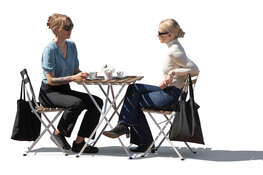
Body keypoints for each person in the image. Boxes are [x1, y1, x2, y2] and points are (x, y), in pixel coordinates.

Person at [103, 19, 199, 152]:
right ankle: (125, 126)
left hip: (170, 96)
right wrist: (172, 77)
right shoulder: (174, 47)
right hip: (168, 90)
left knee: (133, 102)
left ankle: (137, 136)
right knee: (133, 88)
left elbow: (195, 70)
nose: (157, 35)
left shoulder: (175, 51)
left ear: (170, 35)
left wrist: (173, 73)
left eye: (160, 33)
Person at [38, 13, 103, 153]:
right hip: (49, 92)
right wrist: (74, 78)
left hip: (64, 89)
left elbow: (75, 70)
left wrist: (84, 75)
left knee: (97, 102)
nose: (70, 30)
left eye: (71, 26)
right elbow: (50, 80)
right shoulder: (50, 49)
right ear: (56, 29)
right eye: (67, 27)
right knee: (76, 103)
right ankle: (58, 134)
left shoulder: (72, 46)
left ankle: (79, 142)